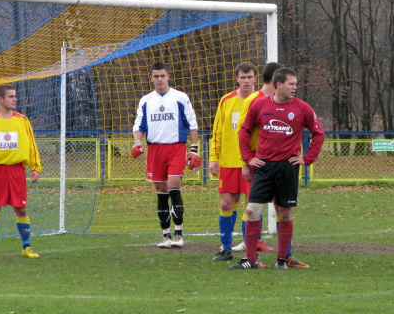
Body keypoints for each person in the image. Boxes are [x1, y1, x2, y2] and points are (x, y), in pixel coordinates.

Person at [233, 67, 324, 269]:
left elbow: (319, 134)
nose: (295, 88)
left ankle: (282, 259)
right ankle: (251, 259)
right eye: (291, 84)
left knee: (284, 213)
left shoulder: (303, 108)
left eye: (296, 84)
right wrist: (248, 158)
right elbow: (244, 131)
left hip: (287, 167)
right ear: (278, 85)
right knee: (252, 210)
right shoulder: (260, 105)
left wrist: (307, 158)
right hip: (264, 166)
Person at [131, 62, 202, 249]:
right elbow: (139, 125)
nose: (160, 79)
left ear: (168, 77)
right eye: (156, 76)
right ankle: (165, 236)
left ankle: (179, 234)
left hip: (176, 148)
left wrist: (193, 148)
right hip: (155, 150)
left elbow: (192, 124)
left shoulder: (180, 97)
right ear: (152, 78)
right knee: (161, 192)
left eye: (163, 76)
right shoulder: (146, 100)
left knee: (174, 187)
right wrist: (137, 142)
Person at [210, 62, 273, 261]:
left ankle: (251, 245)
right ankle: (226, 248)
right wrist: (214, 158)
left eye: (250, 77)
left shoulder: (262, 100)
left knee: (251, 205)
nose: (246, 81)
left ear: (256, 78)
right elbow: (217, 131)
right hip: (228, 162)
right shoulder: (226, 100)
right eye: (242, 77)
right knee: (227, 204)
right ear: (236, 78)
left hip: (252, 161)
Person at [0, 84, 42, 259]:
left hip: (17, 171)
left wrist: (35, 167)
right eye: (11, 96)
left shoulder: (22, 120)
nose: (15, 99)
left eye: (15, 96)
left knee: (20, 209)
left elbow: (32, 145)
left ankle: (27, 247)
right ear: (0, 100)